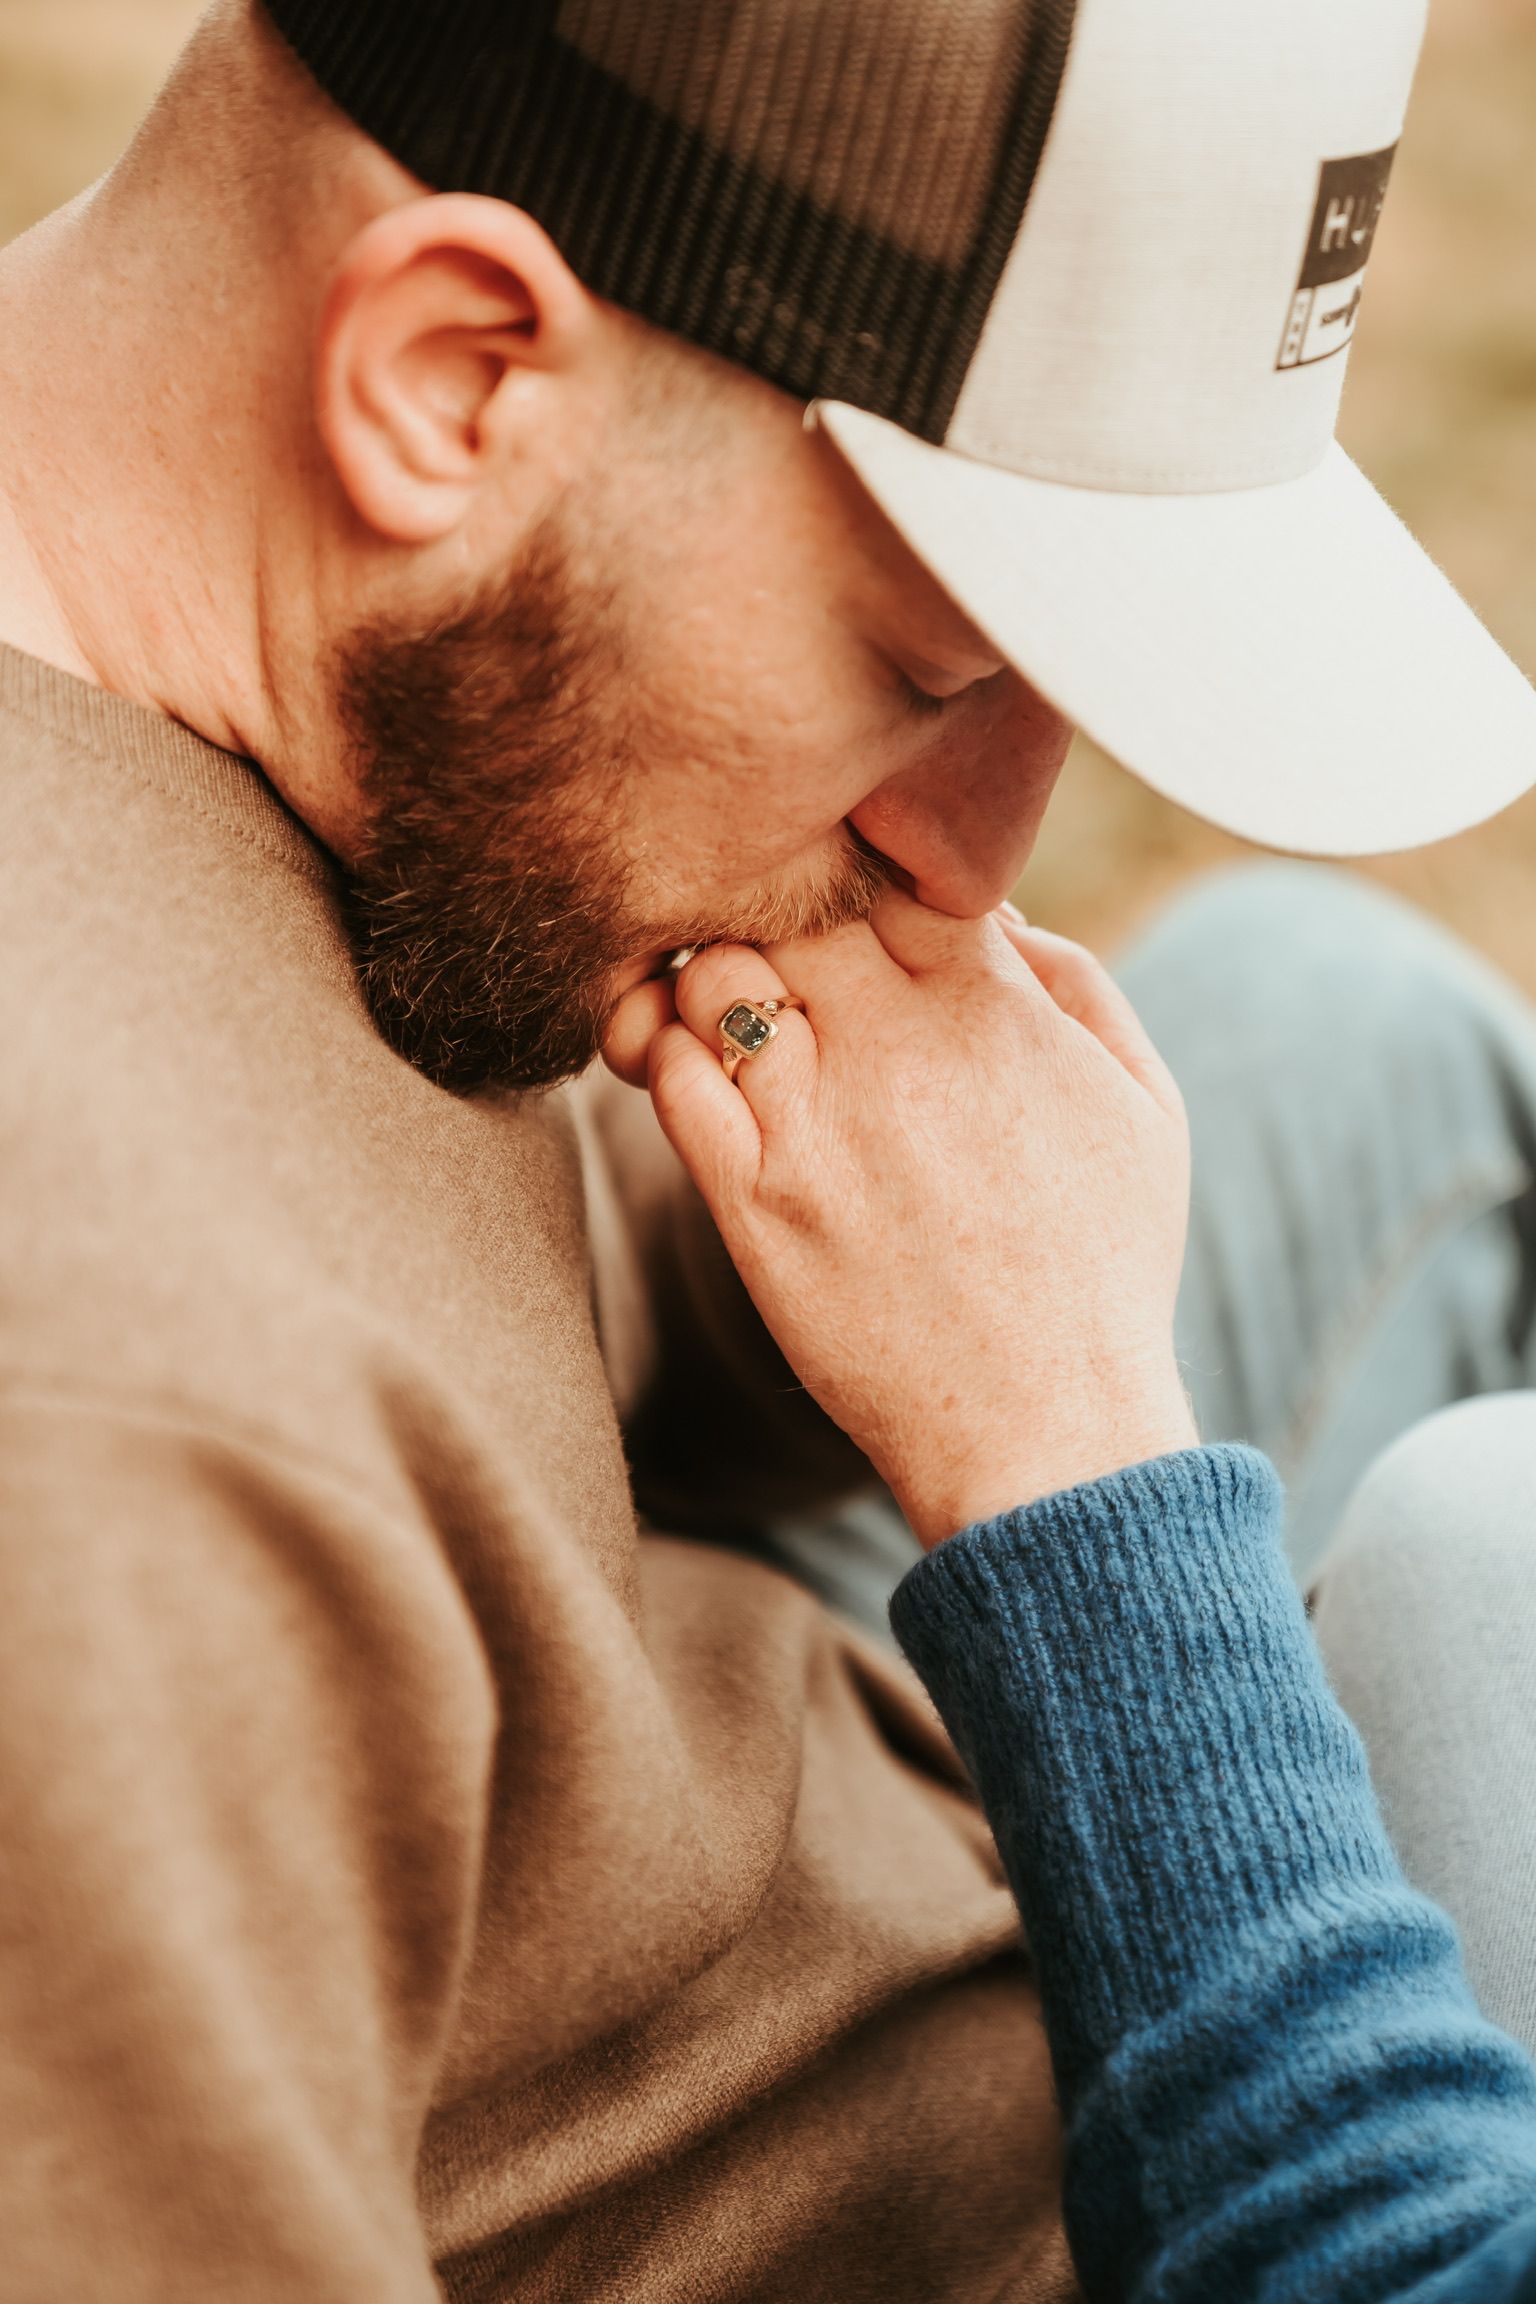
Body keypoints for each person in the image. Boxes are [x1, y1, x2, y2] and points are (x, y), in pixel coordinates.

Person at [0, 1, 1533, 2298]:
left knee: (1345, 1024)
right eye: (932, 668)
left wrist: (889, 1254)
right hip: (1171, 2164)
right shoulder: (117, 1466)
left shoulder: (259, 640)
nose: (977, 863)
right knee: (1487, 1554)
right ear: (446, 378)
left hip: (773, 1781)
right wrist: (1072, 1474)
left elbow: (441, 1282)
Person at [622, 889, 1536, 2303]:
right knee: (1328, 1005)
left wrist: (1065, 1470)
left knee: (1483, 1525)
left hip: (1026, 2132)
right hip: (788, 1712)